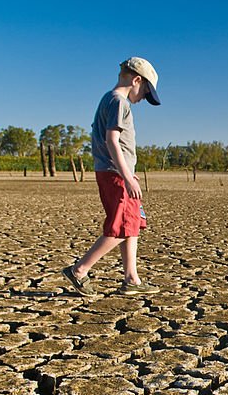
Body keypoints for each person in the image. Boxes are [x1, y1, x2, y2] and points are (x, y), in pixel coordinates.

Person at [63, 57, 162, 296]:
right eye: (145, 93)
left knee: (133, 224)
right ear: (137, 80)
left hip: (117, 172)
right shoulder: (119, 102)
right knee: (120, 227)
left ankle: (132, 279)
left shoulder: (108, 99)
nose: (142, 100)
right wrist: (126, 176)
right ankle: (79, 270)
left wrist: (129, 173)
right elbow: (112, 141)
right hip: (115, 174)